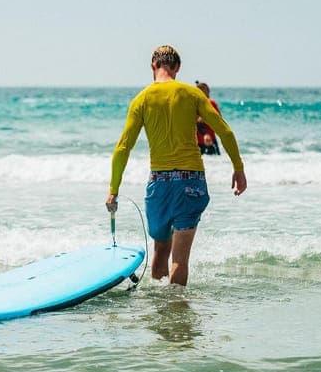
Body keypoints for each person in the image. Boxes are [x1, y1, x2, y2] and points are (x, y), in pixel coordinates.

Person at [105, 45, 247, 286]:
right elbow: (225, 131)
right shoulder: (192, 94)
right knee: (180, 259)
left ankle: (162, 315)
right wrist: (238, 168)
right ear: (177, 67)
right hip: (191, 181)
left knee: (160, 251)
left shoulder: (141, 99)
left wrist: (114, 190)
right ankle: (177, 314)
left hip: (159, 185)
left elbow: (122, 148)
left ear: (153, 65)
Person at [194, 81, 221, 155]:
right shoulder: (208, 103)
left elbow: (218, 120)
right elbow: (197, 122)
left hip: (203, 139)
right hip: (206, 138)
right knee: (215, 163)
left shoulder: (194, 103)